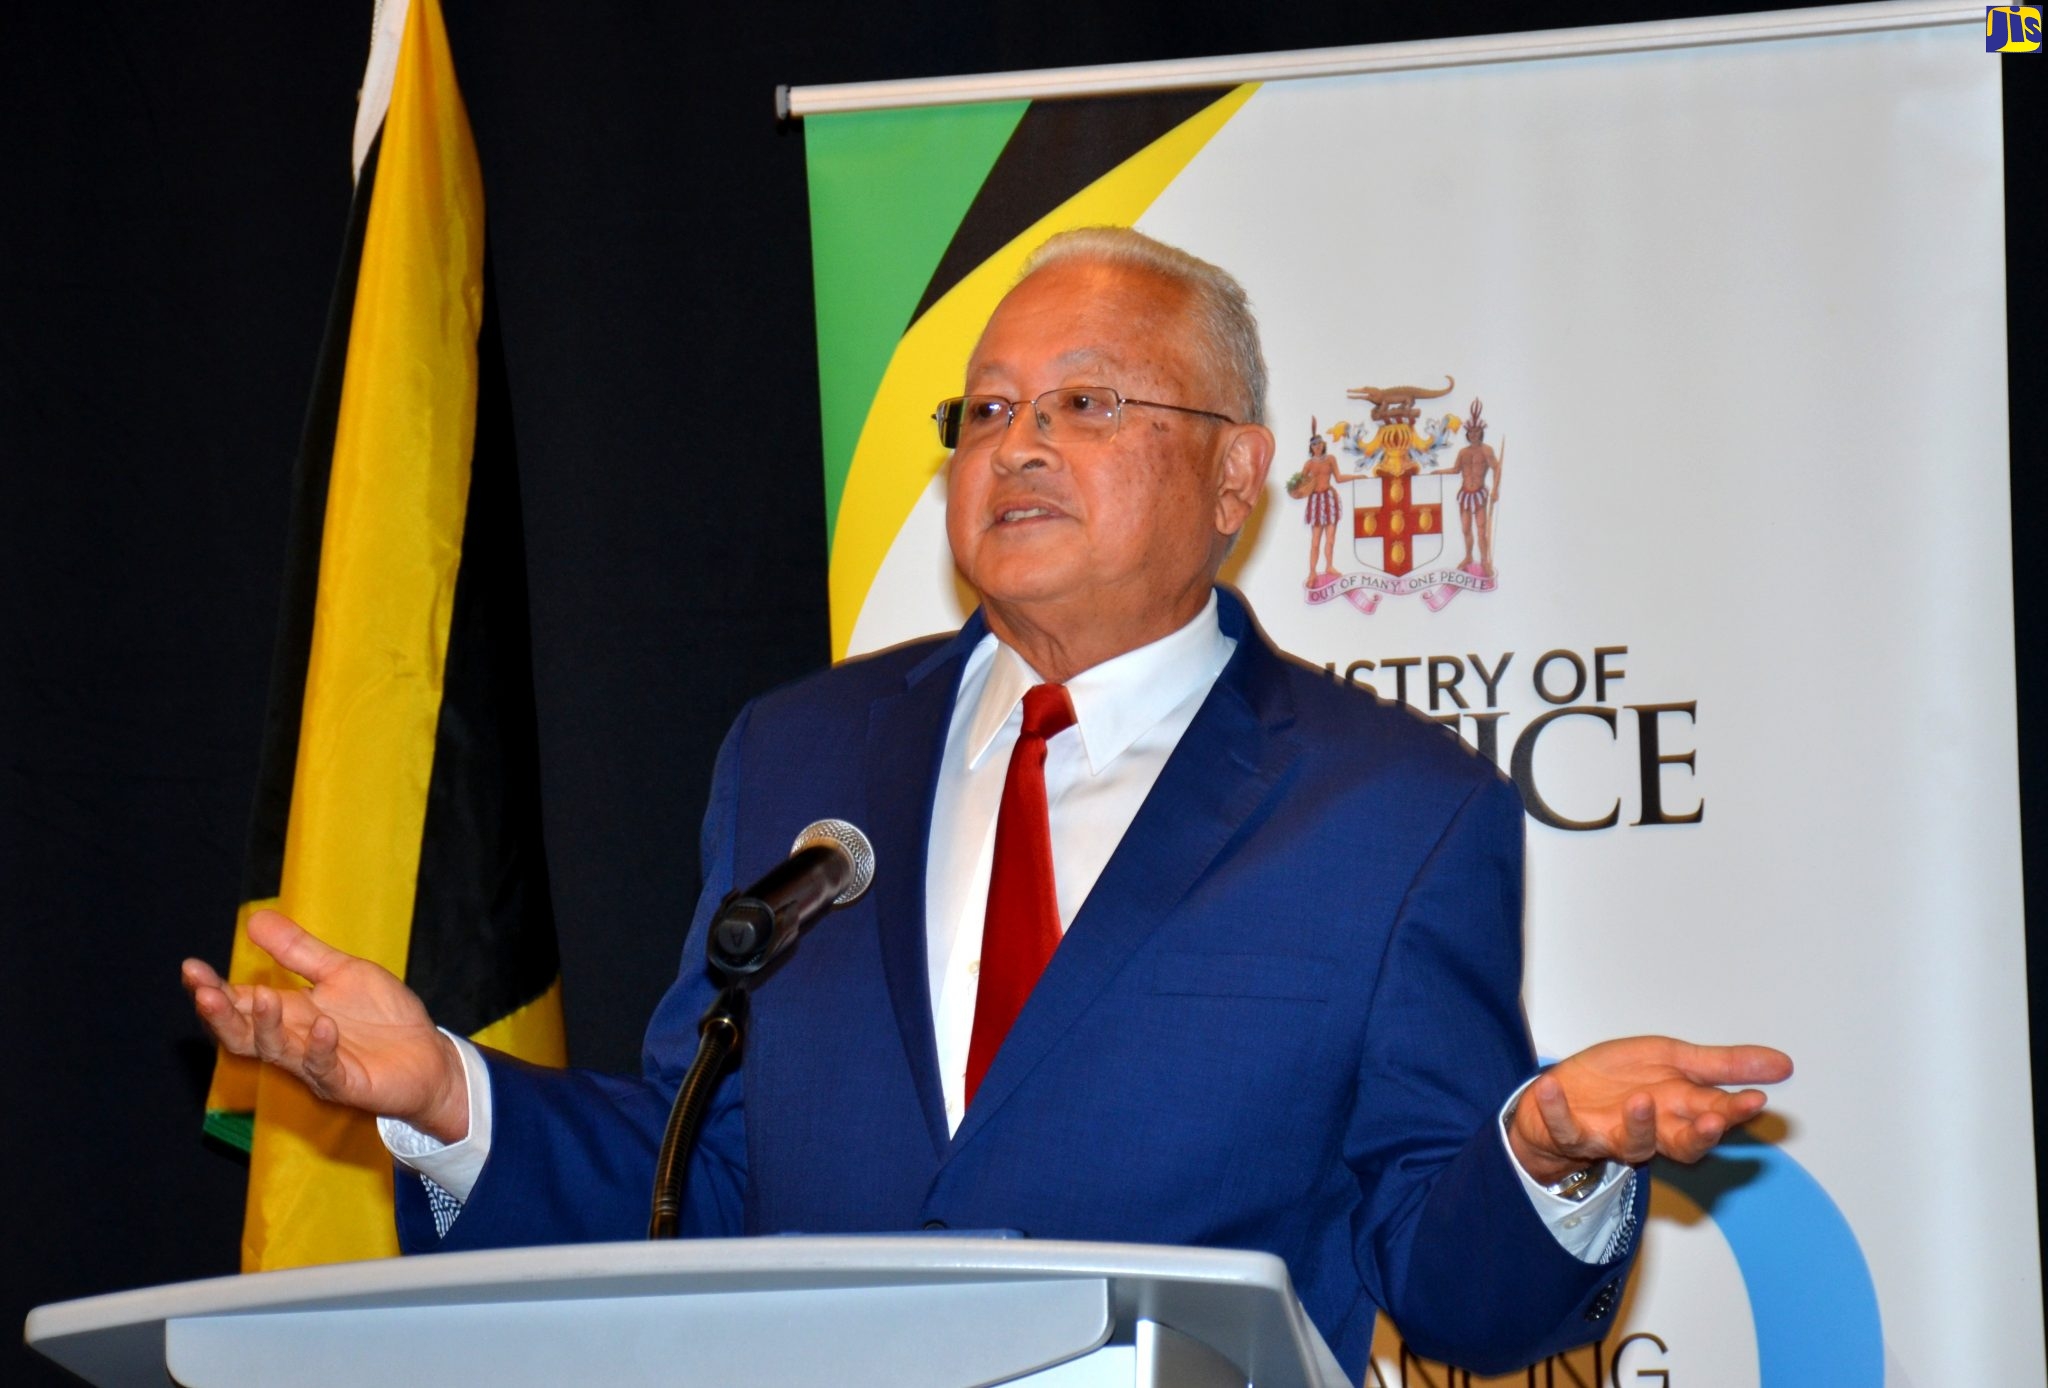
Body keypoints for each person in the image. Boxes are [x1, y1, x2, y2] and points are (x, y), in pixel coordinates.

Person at [184, 227, 1789, 1378]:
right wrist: (445, 1095)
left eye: (1090, 404)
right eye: (990, 409)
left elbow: (1462, 1297)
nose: (1018, 444)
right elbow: (704, 1174)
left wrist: (1547, 1151)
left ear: (1237, 480)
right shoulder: (799, 756)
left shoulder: (1389, 810)